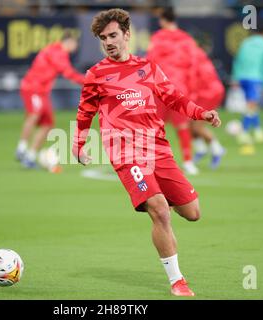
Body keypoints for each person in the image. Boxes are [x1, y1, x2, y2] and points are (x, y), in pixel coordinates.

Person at [72, 8, 221, 297]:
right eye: (103, 38)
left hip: (158, 149)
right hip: (125, 153)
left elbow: (174, 97)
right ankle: (177, 281)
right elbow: (85, 112)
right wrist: (78, 144)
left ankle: (161, 197)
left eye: (113, 35)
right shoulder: (96, 75)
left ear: (128, 35)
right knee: (160, 211)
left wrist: (202, 114)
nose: (109, 42)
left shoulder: (148, 67)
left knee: (192, 213)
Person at [16, 31, 85, 169]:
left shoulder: (56, 51)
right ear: (70, 42)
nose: (76, 47)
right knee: (34, 114)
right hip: (32, 88)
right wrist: (88, 81)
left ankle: (30, 156)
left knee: (48, 125)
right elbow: (68, 73)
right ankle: (21, 148)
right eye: (75, 44)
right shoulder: (56, 52)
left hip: (42, 92)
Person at [146, 8, 199, 175]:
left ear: (162, 20)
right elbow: (193, 66)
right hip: (180, 88)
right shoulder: (187, 39)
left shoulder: (158, 38)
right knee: (182, 125)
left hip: (161, 87)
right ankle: (188, 161)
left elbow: (150, 62)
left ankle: (150, 161)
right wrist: (193, 90)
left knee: (154, 126)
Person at [232, 25, 263, 155]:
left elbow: (237, 61)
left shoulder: (245, 43)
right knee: (252, 104)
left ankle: (258, 130)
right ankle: (243, 132)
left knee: (251, 104)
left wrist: (235, 77)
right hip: (255, 78)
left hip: (243, 77)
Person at [191, 44, 226, 169]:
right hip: (208, 91)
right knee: (189, 122)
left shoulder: (191, 56)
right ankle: (201, 149)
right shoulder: (198, 54)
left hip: (208, 93)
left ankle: (217, 150)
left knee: (197, 125)